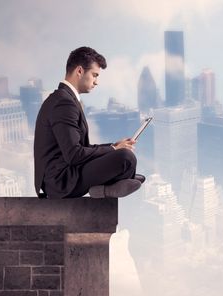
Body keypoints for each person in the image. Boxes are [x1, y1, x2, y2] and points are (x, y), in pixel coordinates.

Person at [34, 46, 145, 199]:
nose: (96, 82)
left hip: (66, 173)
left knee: (125, 155)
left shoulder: (65, 99)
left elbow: (81, 149)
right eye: (94, 75)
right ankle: (108, 187)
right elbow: (74, 154)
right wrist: (113, 149)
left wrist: (113, 146)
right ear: (79, 71)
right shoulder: (63, 103)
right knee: (126, 158)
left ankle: (113, 183)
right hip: (61, 181)